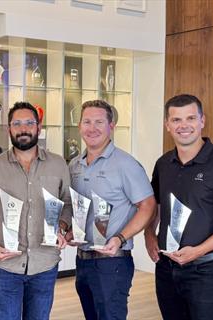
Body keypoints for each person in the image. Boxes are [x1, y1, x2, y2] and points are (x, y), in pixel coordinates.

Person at [146, 94, 213, 320]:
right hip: (166, 268)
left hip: (206, 272)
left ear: (202, 121)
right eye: (176, 120)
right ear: (167, 125)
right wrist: (149, 233)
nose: (184, 126)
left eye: (191, 118)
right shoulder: (163, 163)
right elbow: (154, 205)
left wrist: (198, 251)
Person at [0, 101, 72, 319]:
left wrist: (62, 228)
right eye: (17, 123)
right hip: (6, 266)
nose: (23, 128)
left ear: (38, 127)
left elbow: (67, 204)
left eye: (29, 122)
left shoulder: (58, 164)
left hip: (45, 263)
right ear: (9, 129)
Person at [68, 100, 156, 320]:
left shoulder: (125, 164)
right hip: (83, 260)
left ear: (111, 126)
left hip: (112, 263)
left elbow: (148, 206)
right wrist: (70, 230)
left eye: (99, 121)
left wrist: (119, 237)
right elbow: (77, 207)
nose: (92, 128)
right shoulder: (74, 165)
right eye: (87, 122)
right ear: (79, 127)